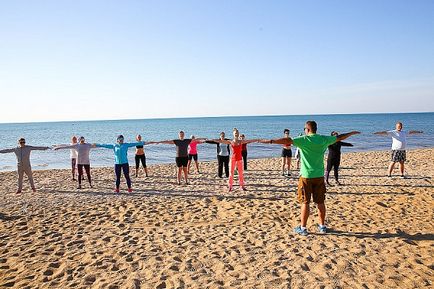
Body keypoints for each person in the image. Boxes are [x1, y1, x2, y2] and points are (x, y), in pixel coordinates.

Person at [262, 121, 360, 236]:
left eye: (305, 129)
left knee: (305, 202)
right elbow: (339, 137)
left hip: (306, 176)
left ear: (307, 129)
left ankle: (303, 228)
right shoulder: (323, 139)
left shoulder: (304, 139)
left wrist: (271, 141)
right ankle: (322, 226)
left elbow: (287, 141)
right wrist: (351, 133)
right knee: (320, 202)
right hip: (319, 176)